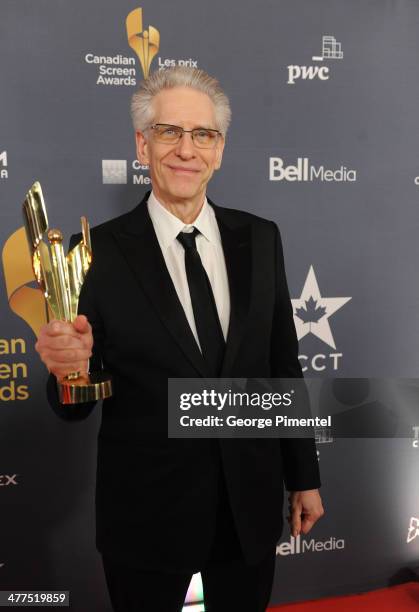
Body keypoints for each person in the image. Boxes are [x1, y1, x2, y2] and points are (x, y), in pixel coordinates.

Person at [35, 66, 324, 612]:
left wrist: (304, 477)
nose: (186, 150)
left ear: (219, 149)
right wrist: (67, 371)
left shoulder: (261, 238)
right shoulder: (93, 253)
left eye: (203, 135)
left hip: (248, 505)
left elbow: (284, 366)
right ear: (142, 144)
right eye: (170, 132)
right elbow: (74, 406)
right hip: (147, 514)